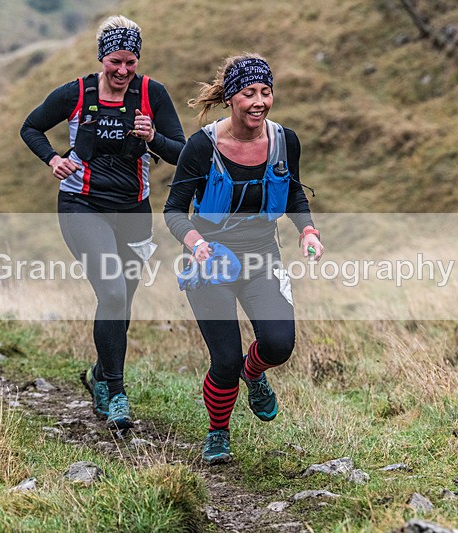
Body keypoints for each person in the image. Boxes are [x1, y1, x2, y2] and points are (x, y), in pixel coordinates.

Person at [20, 15, 185, 430]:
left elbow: (182, 153)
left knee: (121, 304)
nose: (123, 71)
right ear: (101, 57)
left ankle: (99, 375)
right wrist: (53, 159)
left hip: (133, 211)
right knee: (111, 289)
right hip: (82, 206)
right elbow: (31, 126)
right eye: (116, 62)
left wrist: (153, 139)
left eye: (131, 62)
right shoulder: (77, 92)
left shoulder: (152, 94)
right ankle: (116, 391)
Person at [163, 53, 324, 464]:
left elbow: (292, 194)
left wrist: (307, 230)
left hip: (261, 257)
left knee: (278, 343)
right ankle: (218, 432)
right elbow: (173, 211)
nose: (259, 101)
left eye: (266, 92)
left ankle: (253, 374)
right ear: (231, 98)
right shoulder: (202, 146)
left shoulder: (284, 141)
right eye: (249, 92)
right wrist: (196, 243)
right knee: (225, 358)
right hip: (210, 262)